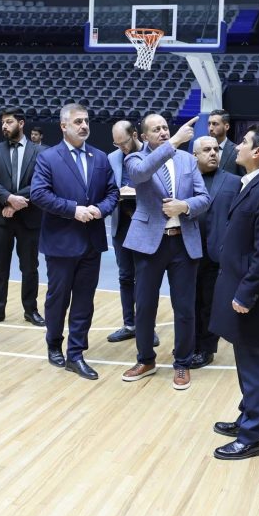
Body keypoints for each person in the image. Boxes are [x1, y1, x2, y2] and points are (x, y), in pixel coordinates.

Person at [209, 126, 259, 460]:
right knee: (246, 360)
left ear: (257, 152)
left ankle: (253, 435)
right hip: (241, 285)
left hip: (254, 296)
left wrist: (246, 294)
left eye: (244, 142)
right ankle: (247, 416)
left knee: (254, 363)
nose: (238, 146)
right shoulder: (255, 182)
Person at [121, 115, 210, 390]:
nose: (162, 132)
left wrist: (184, 206)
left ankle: (182, 363)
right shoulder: (134, 159)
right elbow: (141, 174)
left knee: (184, 308)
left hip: (183, 243)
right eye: (156, 129)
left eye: (165, 128)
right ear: (144, 136)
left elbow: (204, 198)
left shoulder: (187, 161)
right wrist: (173, 143)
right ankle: (145, 360)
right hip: (149, 243)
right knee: (145, 306)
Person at [30, 103, 119, 380]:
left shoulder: (100, 157)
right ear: (63, 126)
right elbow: (39, 194)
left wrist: (101, 209)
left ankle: (76, 354)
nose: (84, 126)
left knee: (84, 301)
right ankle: (54, 344)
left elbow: (113, 193)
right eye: (78, 121)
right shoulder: (48, 158)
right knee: (57, 300)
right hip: (61, 243)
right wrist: (73, 210)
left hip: (91, 242)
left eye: (86, 121)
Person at [0, 107, 46, 327]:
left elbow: (40, 182)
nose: (4, 126)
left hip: (29, 217)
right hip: (1, 217)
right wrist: (8, 198)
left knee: (30, 267)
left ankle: (31, 310)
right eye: (3, 123)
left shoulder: (40, 151)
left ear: (21, 123)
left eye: (8, 122)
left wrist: (15, 204)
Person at [106, 120, 159, 347]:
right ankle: (129, 325)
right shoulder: (112, 158)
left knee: (146, 279)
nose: (122, 148)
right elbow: (108, 188)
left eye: (124, 143)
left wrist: (135, 191)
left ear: (135, 135)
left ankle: (147, 328)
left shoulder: (153, 155)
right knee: (125, 277)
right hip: (122, 225)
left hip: (147, 225)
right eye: (117, 144)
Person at [192, 136, 242, 368]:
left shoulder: (234, 182)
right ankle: (190, 342)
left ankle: (206, 348)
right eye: (206, 150)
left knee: (209, 304)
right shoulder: (185, 180)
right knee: (188, 303)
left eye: (215, 149)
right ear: (194, 156)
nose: (213, 153)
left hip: (216, 254)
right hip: (187, 253)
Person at [207, 109, 244, 176]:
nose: (210, 128)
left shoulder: (237, 151)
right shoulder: (203, 149)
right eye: (209, 124)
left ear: (226, 127)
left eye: (215, 124)